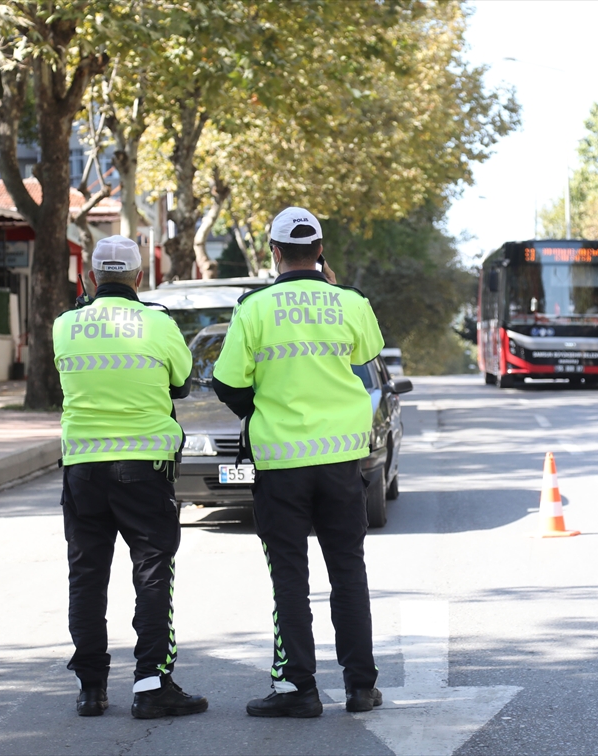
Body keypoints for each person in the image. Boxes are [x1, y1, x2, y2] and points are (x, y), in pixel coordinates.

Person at [212, 207, 385, 718]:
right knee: (348, 572)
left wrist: (259, 407)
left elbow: (227, 383)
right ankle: (360, 688)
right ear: (321, 251)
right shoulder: (350, 302)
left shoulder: (254, 308)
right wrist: (332, 289)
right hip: (341, 463)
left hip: (280, 463)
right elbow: (367, 354)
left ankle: (299, 691)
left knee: (289, 576)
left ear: (273, 252)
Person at [53, 235, 207, 719]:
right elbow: (181, 384)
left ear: (93, 277)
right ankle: (151, 684)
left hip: (82, 472)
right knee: (153, 574)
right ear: (140, 278)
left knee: (87, 576)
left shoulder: (65, 326)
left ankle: (92, 689)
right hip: (144, 469)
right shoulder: (157, 324)